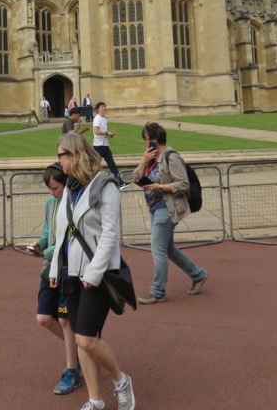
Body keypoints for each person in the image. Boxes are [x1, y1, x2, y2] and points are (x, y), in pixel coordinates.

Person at [49, 133, 135, 410]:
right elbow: (62, 230)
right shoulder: (71, 187)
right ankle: (95, 401)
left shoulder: (105, 185)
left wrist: (94, 273)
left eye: (61, 154)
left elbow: (110, 234)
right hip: (72, 272)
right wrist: (54, 268)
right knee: (81, 339)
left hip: (96, 273)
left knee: (86, 337)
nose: (58, 160)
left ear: (74, 155)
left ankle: (121, 380)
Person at [131, 121, 208, 304]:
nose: (144, 142)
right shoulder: (151, 158)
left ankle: (158, 290)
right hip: (155, 208)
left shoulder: (170, 157)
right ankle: (198, 274)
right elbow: (135, 177)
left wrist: (160, 187)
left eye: (146, 139)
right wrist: (143, 160)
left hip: (167, 209)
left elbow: (183, 184)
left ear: (154, 140)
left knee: (158, 249)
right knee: (169, 248)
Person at [29, 163, 81, 395]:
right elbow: (46, 233)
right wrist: (39, 244)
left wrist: (48, 251)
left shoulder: (72, 203)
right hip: (50, 267)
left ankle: (72, 370)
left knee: (64, 320)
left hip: (67, 268)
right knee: (43, 318)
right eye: (49, 188)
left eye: (55, 188)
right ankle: (85, 349)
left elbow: (69, 239)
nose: (52, 192)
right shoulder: (51, 203)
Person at [92, 102, 123, 187]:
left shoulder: (104, 119)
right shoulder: (97, 119)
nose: (104, 108)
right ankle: (90, 182)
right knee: (95, 166)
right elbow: (96, 131)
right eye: (102, 107)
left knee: (112, 164)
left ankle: (120, 182)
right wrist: (107, 133)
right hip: (98, 146)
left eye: (105, 107)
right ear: (98, 109)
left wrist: (110, 134)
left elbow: (104, 133)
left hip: (105, 145)